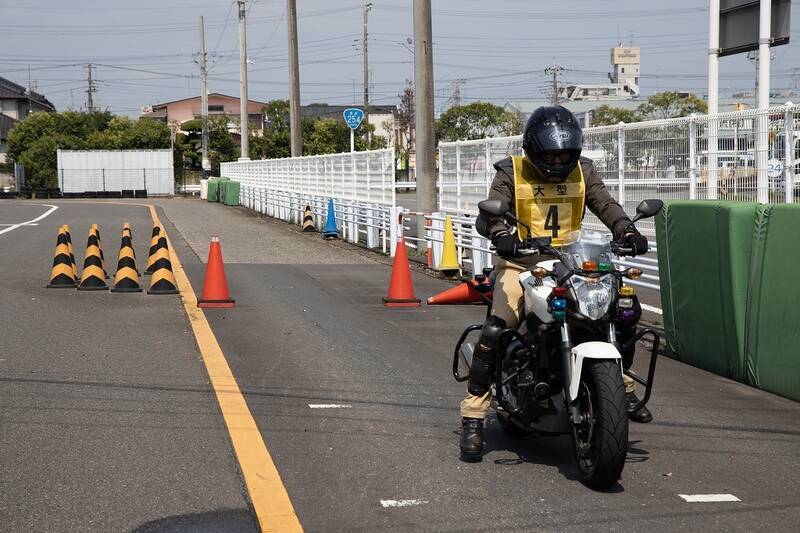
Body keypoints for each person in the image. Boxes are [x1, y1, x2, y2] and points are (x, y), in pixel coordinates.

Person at [460, 105, 652, 462]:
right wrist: (501, 233)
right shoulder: (510, 171)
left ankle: (619, 384)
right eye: (551, 153)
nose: (559, 158)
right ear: (533, 149)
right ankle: (473, 414)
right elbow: (490, 215)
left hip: (574, 261)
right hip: (522, 262)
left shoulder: (585, 171)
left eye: (566, 151)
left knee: (624, 310)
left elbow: (605, 205)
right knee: (496, 328)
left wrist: (627, 229)